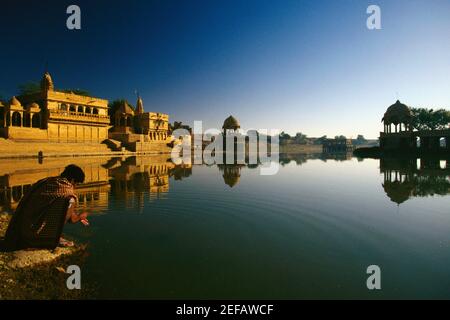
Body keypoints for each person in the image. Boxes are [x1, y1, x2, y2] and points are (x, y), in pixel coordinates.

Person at [0, 164, 89, 251]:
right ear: (72, 180)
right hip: (33, 236)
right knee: (71, 200)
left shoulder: (45, 182)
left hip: (19, 230)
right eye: (77, 184)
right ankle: (51, 239)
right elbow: (71, 219)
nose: (75, 187)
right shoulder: (67, 193)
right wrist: (80, 216)